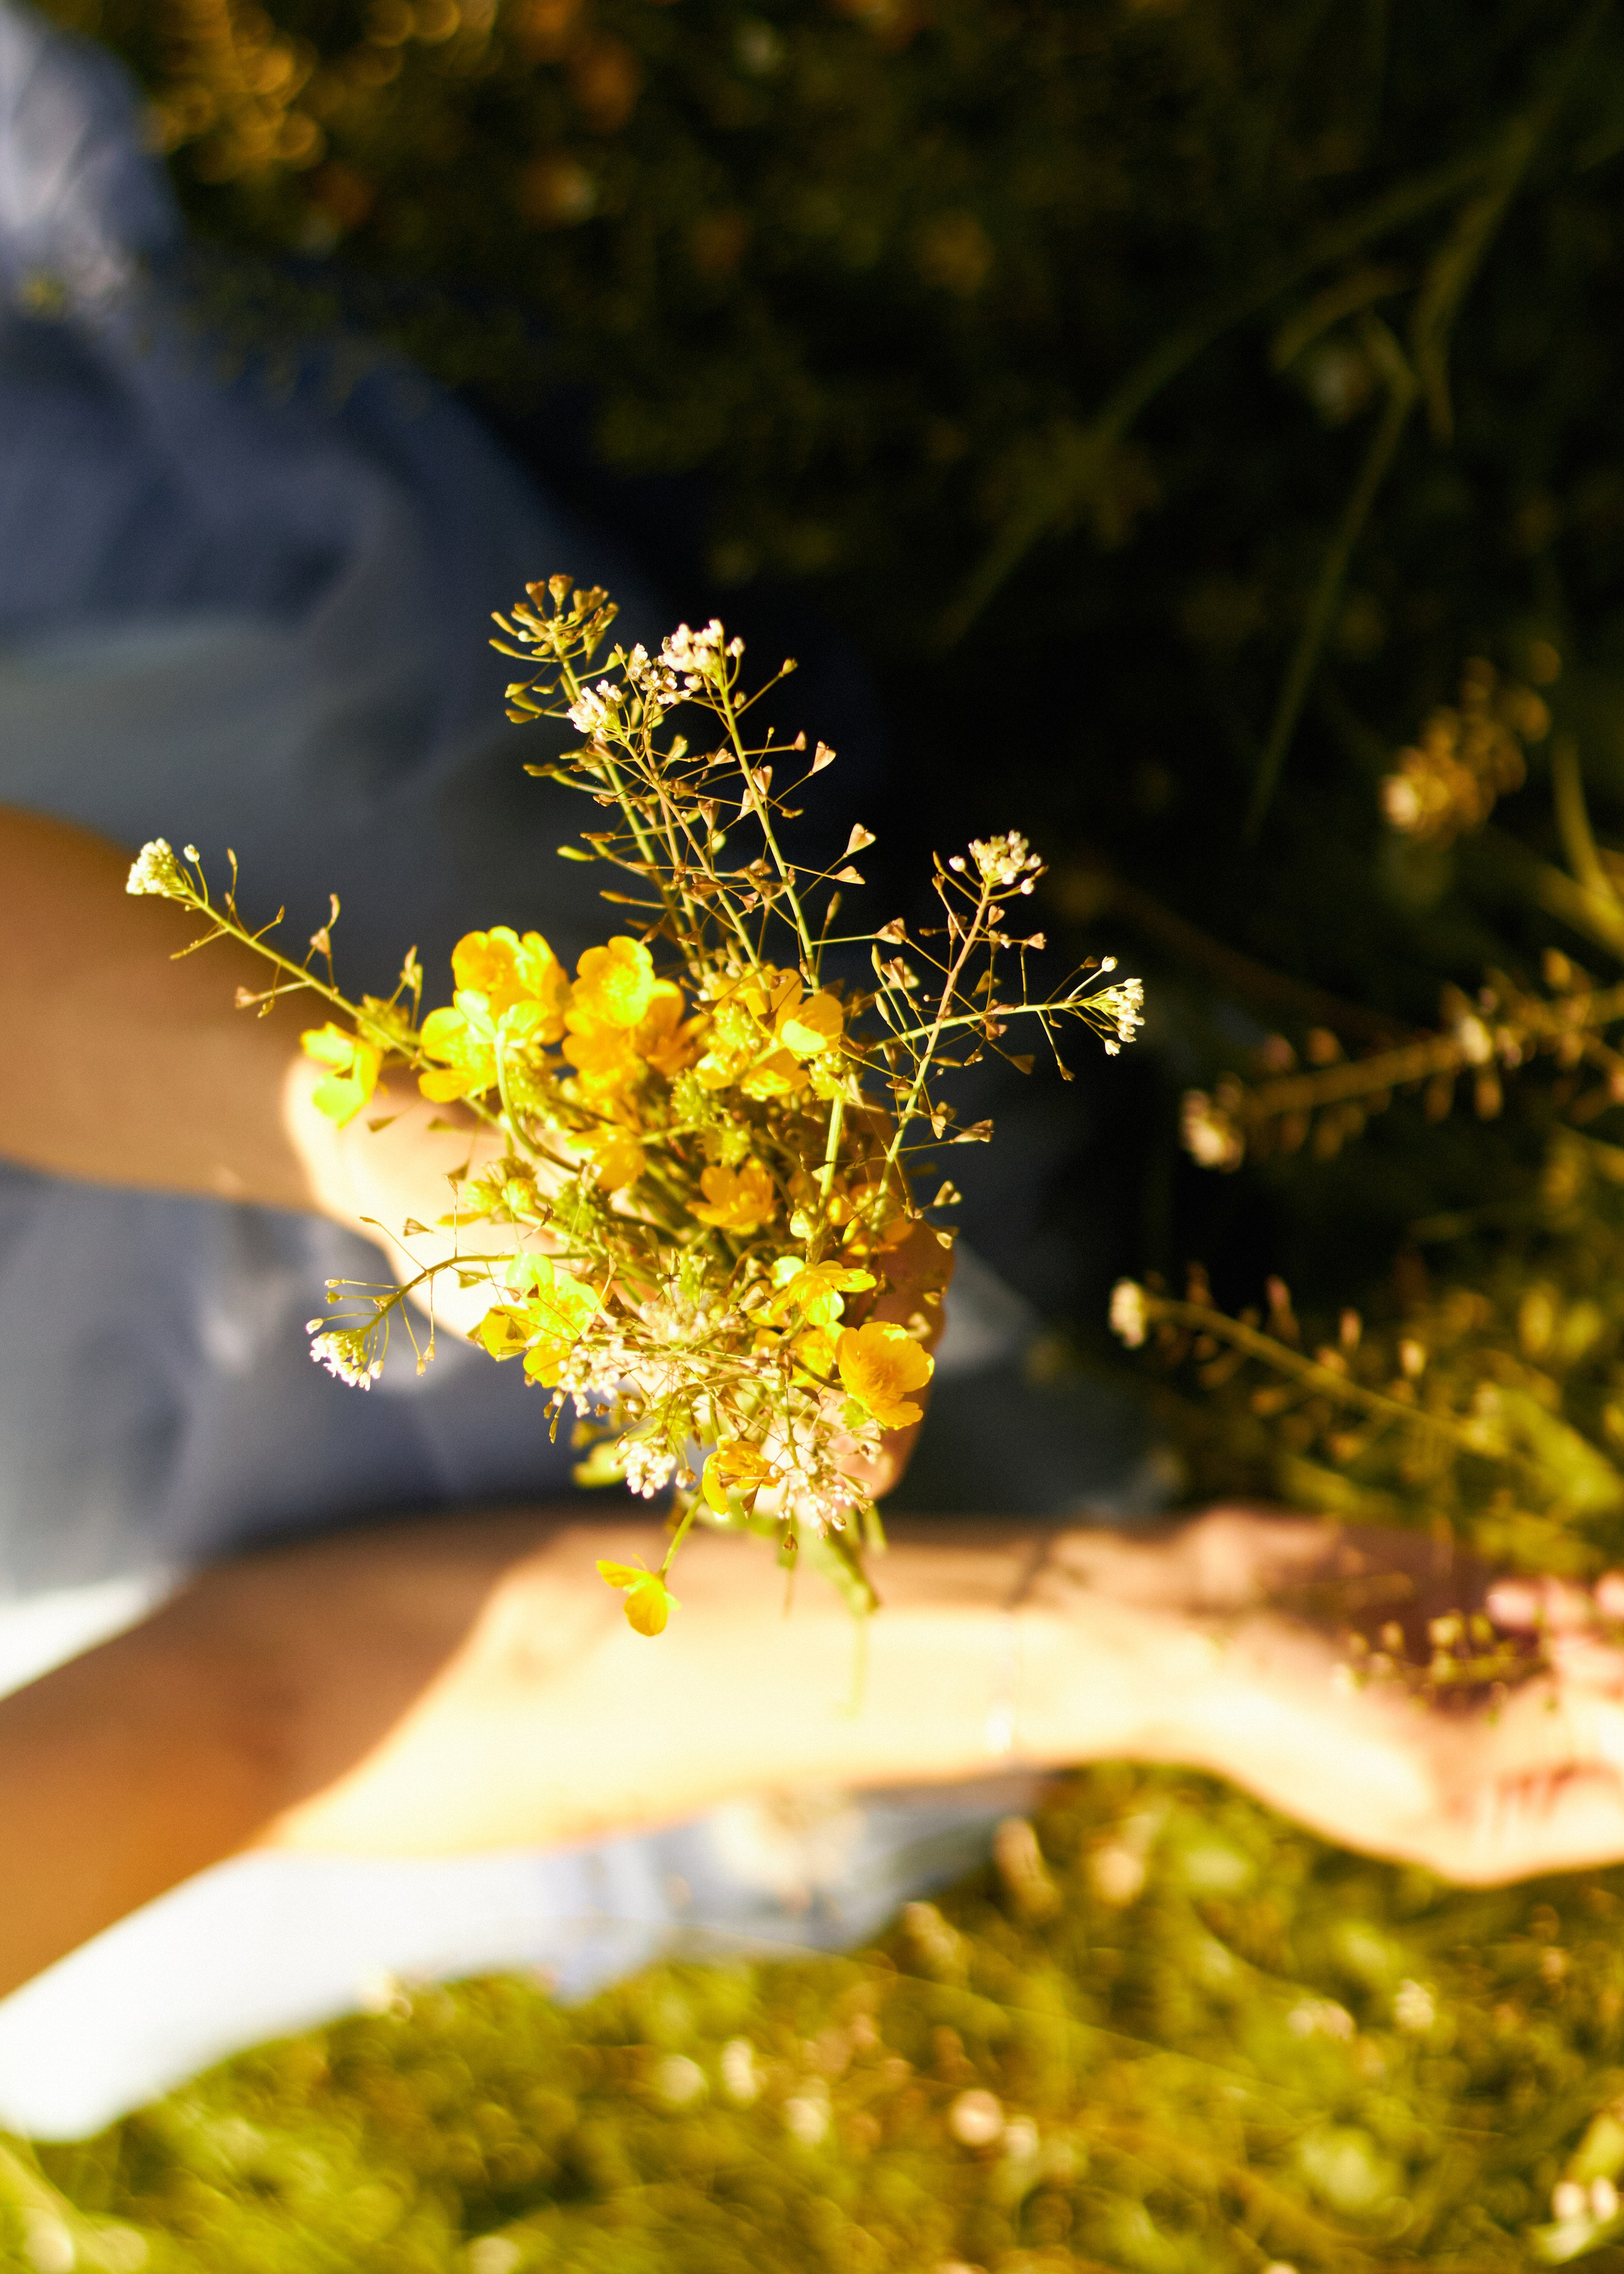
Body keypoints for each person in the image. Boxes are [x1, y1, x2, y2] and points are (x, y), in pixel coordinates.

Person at [7, 0, 1624, 2143]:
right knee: (901, 1633)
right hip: (139, 1664)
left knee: (569, 918)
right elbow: (261, 1700)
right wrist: (1176, 1641)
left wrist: (456, 1154)